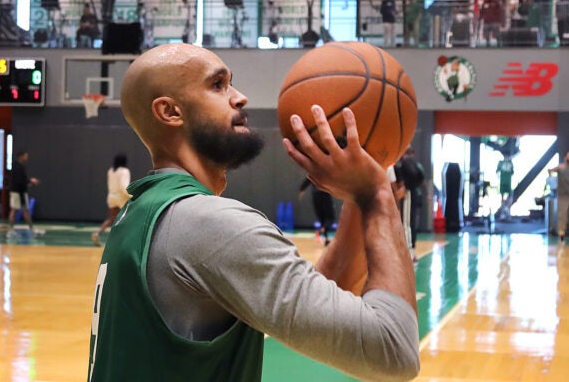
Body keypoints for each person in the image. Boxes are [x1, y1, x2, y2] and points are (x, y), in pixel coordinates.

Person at [87, 44, 420, 381]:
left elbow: (316, 300)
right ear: (170, 111)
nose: (240, 97)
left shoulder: (142, 211)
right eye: (218, 85)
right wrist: (377, 194)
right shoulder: (208, 225)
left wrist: (357, 191)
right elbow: (394, 352)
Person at [91, 154, 132, 246]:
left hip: (111, 196)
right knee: (127, 217)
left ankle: (98, 233)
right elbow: (123, 187)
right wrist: (131, 195)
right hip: (121, 197)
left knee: (111, 218)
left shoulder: (111, 170)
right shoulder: (125, 171)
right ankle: (124, 240)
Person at [393, 147, 425, 261]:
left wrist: (405, 186)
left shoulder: (404, 162)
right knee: (408, 223)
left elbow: (418, 176)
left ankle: (409, 252)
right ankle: (409, 251)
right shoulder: (410, 162)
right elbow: (421, 176)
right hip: (412, 193)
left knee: (406, 223)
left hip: (408, 195)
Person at [7, 151, 44, 237]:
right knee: (14, 210)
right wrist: (30, 181)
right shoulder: (18, 167)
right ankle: (11, 230)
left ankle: (31, 229)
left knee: (25, 210)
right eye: (25, 156)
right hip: (18, 192)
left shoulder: (18, 166)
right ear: (21, 156)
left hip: (20, 192)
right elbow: (20, 180)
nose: (27, 157)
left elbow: (22, 180)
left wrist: (29, 182)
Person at [548, 151, 569, 245]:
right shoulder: (561, 168)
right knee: (563, 216)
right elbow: (550, 171)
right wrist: (557, 168)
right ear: (565, 157)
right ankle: (561, 235)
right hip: (563, 196)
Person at [298, 177, 336, 246]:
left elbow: (309, 178)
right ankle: (321, 230)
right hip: (325, 193)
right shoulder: (326, 170)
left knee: (322, 218)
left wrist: (301, 189)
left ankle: (326, 238)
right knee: (330, 218)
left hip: (315, 195)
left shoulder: (314, 170)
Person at [497, 154, 514, 219]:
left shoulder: (510, 163)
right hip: (503, 182)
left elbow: (512, 172)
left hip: (508, 183)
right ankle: (503, 212)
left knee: (510, 197)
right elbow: (497, 171)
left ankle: (507, 210)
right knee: (502, 198)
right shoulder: (500, 163)